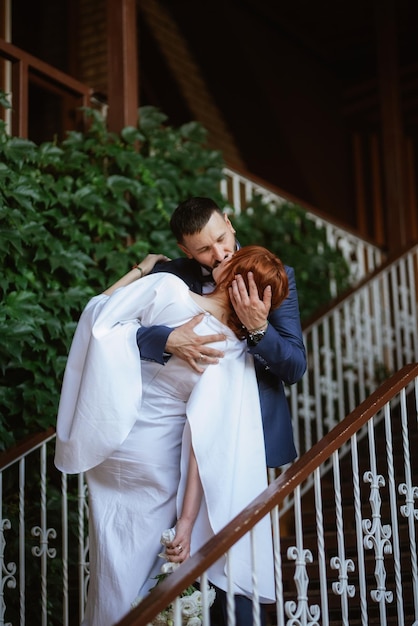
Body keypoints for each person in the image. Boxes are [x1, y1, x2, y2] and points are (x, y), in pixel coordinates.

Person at [54, 245, 289, 626]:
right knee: (135, 577)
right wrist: (187, 519)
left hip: (113, 441)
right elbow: (203, 439)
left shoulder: (165, 289)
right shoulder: (230, 350)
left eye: (230, 259)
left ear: (234, 280)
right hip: (158, 459)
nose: (220, 258)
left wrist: (140, 270)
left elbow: (98, 317)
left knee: (109, 567)